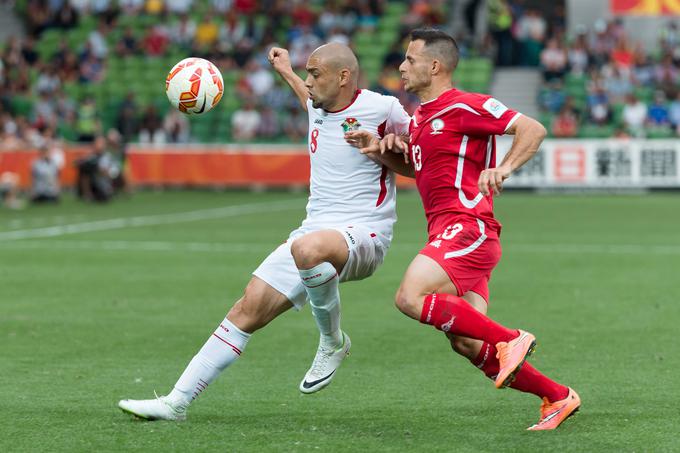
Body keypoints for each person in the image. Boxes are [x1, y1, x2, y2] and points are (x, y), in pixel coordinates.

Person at [118, 42, 411, 420]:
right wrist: (285, 69)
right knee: (247, 307)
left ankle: (332, 341)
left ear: (343, 77)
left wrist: (384, 149)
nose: (307, 82)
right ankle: (176, 402)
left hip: (366, 233)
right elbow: (303, 93)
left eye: (315, 74)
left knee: (307, 250)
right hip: (314, 231)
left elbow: (420, 162)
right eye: (305, 74)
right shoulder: (317, 103)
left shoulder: (384, 109)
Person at [345, 28, 580, 431]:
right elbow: (419, 171)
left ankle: (510, 338)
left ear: (434, 66)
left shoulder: (465, 105)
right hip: (450, 233)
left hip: (468, 228)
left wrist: (504, 167)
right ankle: (557, 397)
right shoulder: (420, 118)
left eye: (410, 59)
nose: (401, 66)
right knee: (467, 342)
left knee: (410, 296)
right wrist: (379, 149)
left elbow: (533, 129)